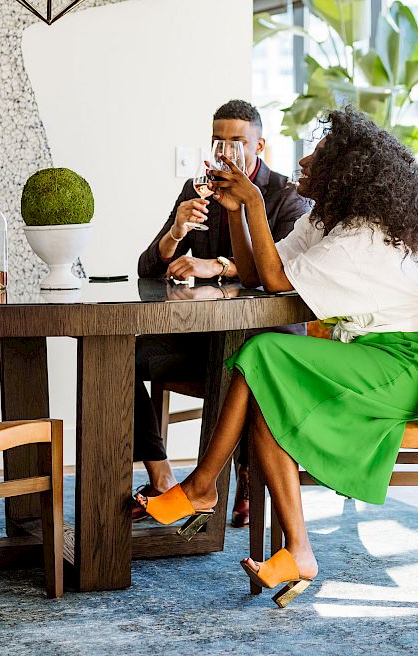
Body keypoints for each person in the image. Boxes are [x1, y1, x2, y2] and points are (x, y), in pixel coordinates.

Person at [136, 108, 418, 606]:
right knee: (264, 389)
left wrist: (255, 202)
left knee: (262, 349)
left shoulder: (359, 236)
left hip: (400, 367)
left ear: (346, 173)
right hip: (369, 358)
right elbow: (260, 271)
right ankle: (297, 550)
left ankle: (201, 487)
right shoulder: (324, 222)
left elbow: (278, 283)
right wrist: (237, 211)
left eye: (317, 155)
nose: (303, 159)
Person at [134, 100, 310, 525]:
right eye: (219, 141)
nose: (225, 151)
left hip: (269, 339)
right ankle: (160, 476)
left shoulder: (288, 196)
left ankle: (246, 478)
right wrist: (176, 234)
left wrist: (219, 266)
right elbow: (146, 268)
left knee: (245, 366)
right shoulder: (199, 189)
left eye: (237, 141)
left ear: (260, 145)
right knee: (120, 355)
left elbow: (280, 277)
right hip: (207, 337)